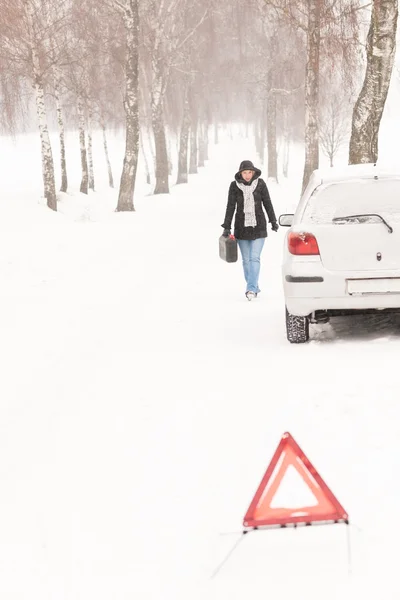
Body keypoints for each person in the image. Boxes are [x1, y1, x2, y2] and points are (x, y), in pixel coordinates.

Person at [221, 160, 279, 300]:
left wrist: (273, 220)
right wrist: (227, 227)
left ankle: (251, 289)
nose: (247, 175)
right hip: (241, 228)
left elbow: (267, 203)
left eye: (249, 172)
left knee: (254, 258)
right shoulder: (234, 186)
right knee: (246, 260)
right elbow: (230, 207)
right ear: (241, 173)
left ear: (253, 172)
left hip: (258, 227)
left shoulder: (260, 184)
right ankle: (254, 285)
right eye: (245, 172)